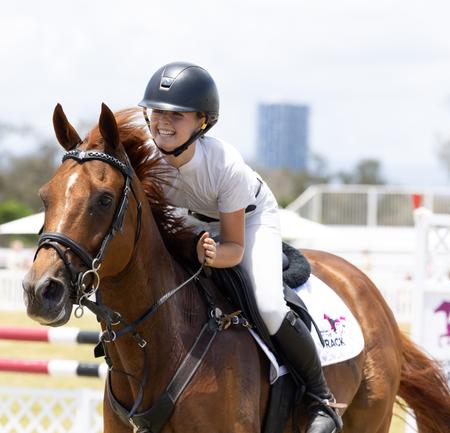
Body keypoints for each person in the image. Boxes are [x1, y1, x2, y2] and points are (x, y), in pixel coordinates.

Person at [138, 61, 343, 433]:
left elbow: (232, 244)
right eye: (157, 112)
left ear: (202, 121)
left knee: (267, 305)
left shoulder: (224, 164)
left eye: (177, 115)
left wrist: (216, 255)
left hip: (248, 219)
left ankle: (320, 399)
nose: (163, 122)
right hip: (187, 220)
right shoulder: (145, 159)